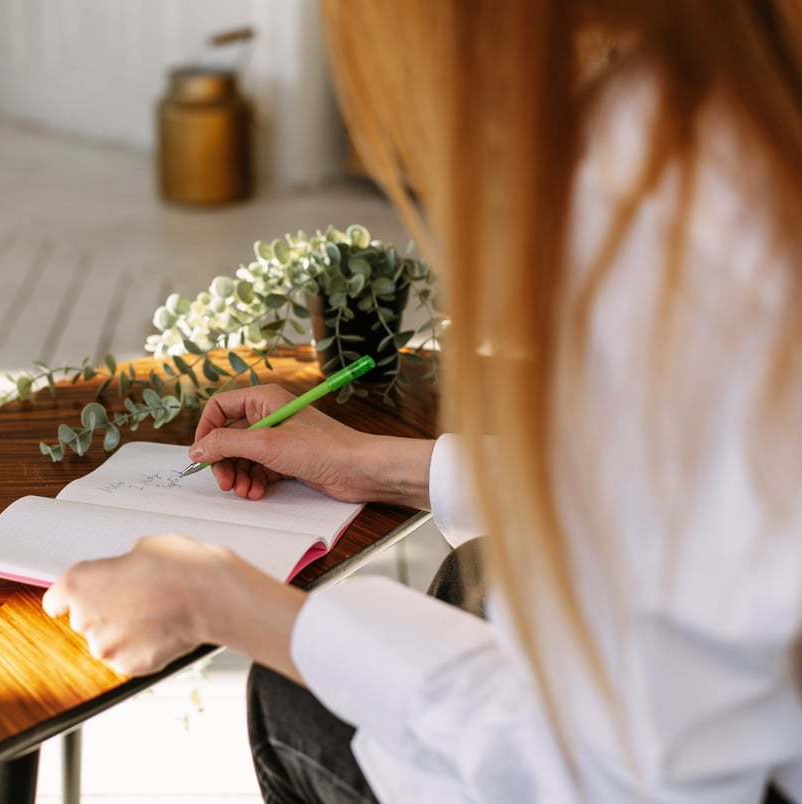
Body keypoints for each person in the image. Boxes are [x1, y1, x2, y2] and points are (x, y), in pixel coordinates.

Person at [41, 0, 802, 800]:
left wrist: (219, 602)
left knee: (290, 697)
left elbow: (615, 777)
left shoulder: (665, 181)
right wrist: (370, 465)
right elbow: (677, 490)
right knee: (472, 578)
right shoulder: (748, 99)